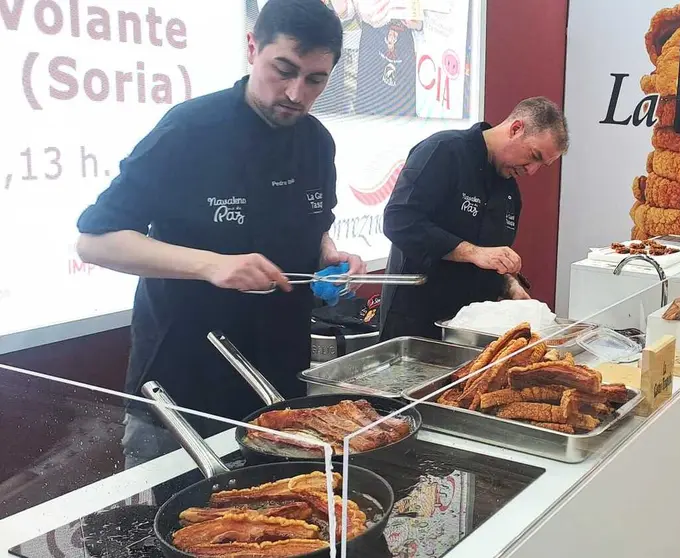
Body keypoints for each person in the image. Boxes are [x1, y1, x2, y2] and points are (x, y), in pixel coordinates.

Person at [75, 0, 365, 467]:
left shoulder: (316, 141)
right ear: (252, 47)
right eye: (283, 70)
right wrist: (211, 265)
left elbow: (313, 223)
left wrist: (327, 254)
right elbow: (94, 241)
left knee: (285, 504)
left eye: (315, 80)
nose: (296, 93)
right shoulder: (190, 129)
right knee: (180, 508)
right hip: (183, 380)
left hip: (277, 378)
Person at [379, 97, 569, 341]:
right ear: (515, 129)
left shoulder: (510, 193)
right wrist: (472, 252)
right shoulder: (443, 151)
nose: (531, 171)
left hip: (471, 332)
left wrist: (510, 285)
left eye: (542, 165)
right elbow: (399, 221)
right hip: (416, 323)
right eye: (534, 155)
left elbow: (490, 261)